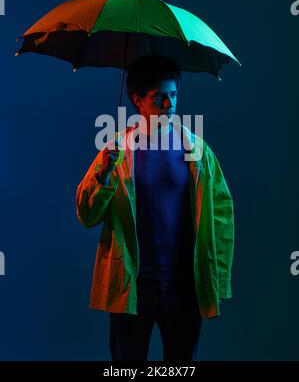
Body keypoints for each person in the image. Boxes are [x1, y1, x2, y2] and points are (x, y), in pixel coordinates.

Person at [76, 55, 235, 361]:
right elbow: (86, 214)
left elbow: (221, 216)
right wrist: (103, 173)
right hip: (132, 285)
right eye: (159, 97)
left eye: (173, 95)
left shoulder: (197, 151)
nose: (168, 105)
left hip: (184, 284)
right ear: (138, 99)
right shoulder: (117, 152)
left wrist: (217, 279)